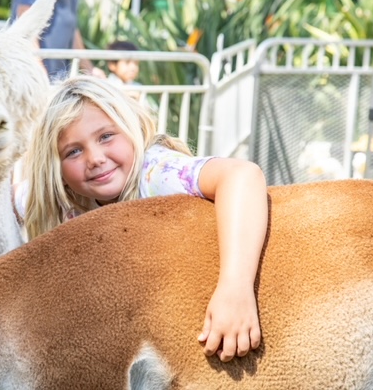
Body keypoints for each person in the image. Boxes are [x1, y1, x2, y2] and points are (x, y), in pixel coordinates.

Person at [17, 75, 268, 362]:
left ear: (132, 128)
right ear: (55, 169)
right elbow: (4, 203)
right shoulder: (65, 196)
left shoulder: (154, 172)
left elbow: (242, 175)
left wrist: (235, 290)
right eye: (73, 151)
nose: (95, 158)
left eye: (106, 136)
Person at [11, 0, 105, 81]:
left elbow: (71, 27)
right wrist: (38, 70)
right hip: (37, 75)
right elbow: (25, 16)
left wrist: (90, 71)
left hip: (56, 74)